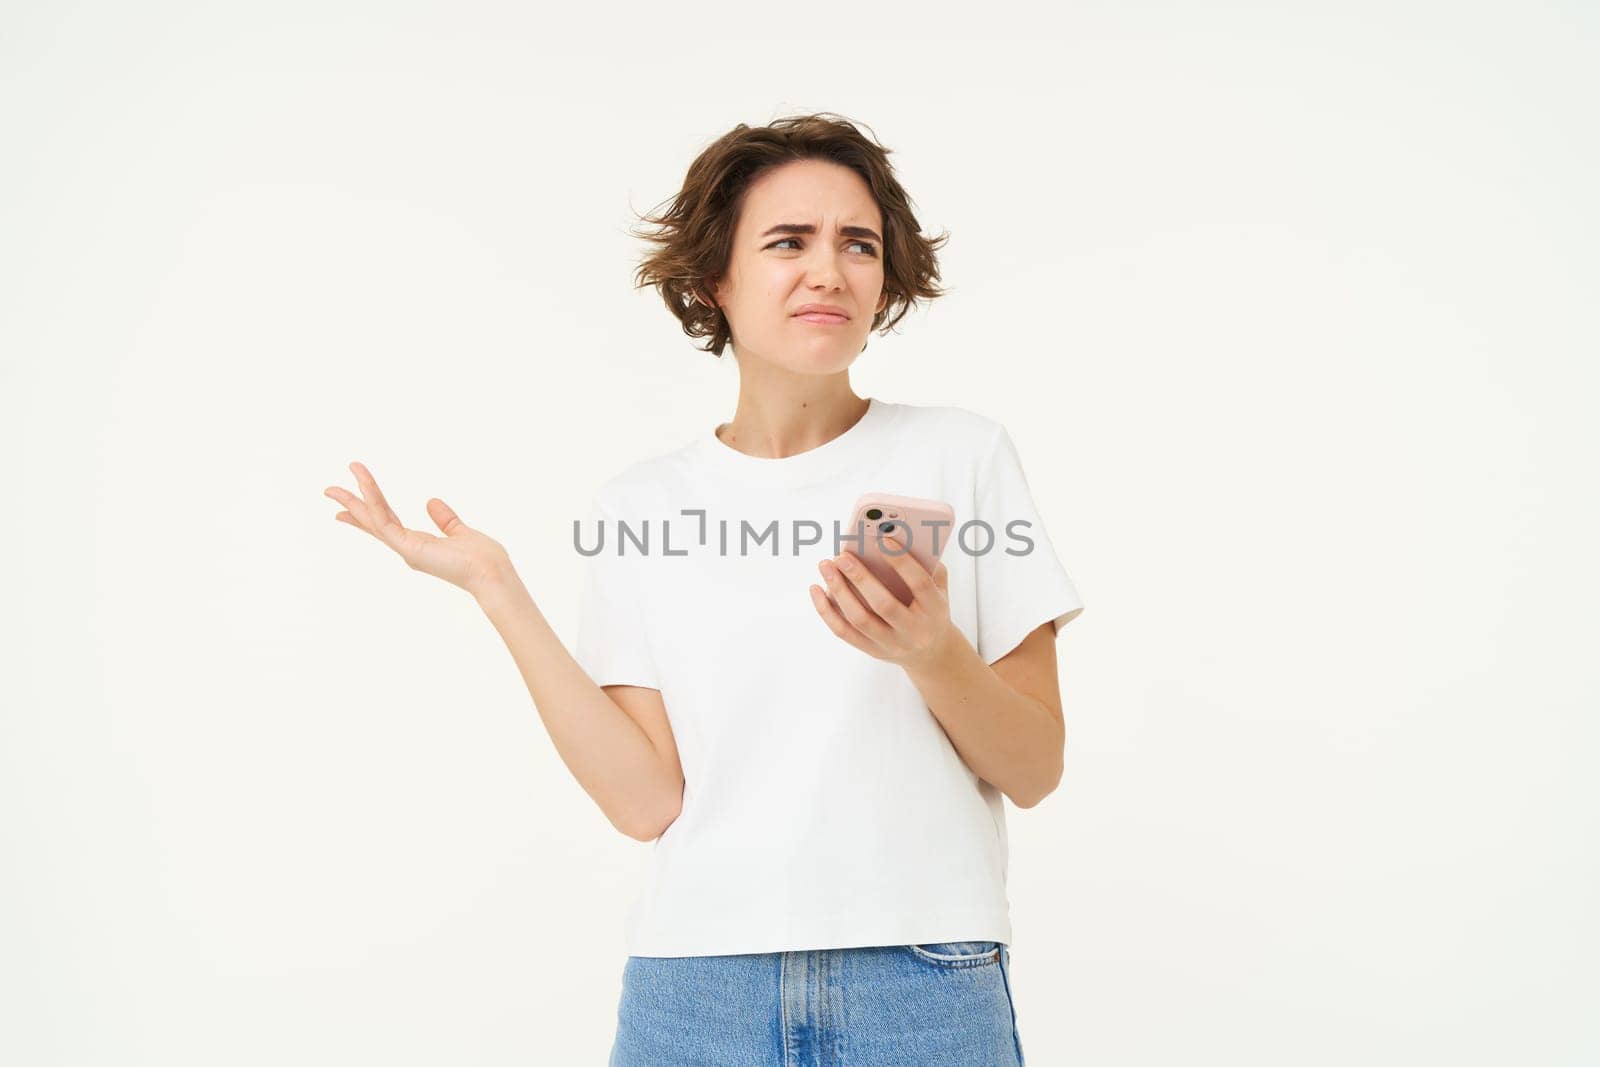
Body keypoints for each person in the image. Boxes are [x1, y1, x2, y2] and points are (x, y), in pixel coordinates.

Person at [324, 112, 1084, 1066]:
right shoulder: (641, 504)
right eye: (787, 242)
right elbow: (645, 801)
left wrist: (931, 651)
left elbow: (1036, 765)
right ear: (714, 278)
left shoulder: (961, 457)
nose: (830, 271)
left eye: (859, 243)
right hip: (697, 990)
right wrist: (496, 586)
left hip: (924, 980)